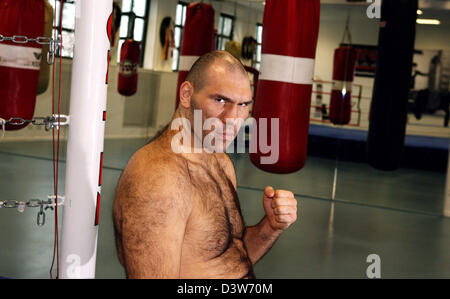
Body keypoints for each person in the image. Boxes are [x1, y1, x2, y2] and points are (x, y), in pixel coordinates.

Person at [113, 50, 298, 278]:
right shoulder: (158, 179)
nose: (232, 119)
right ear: (187, 94)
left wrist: (271, 227)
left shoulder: (221, 163)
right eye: (220, 100)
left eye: (243, 105)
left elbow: (227, 257)